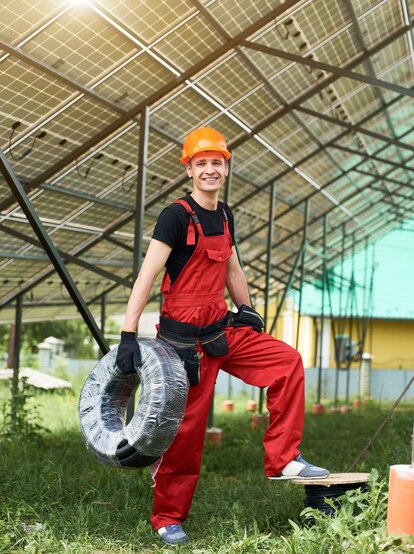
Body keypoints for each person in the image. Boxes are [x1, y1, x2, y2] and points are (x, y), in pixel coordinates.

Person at [116, 126, 329, 546]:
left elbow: (231, 267)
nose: (210, 169)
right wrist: (127, 333)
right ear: (190, 171)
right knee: (185, 434)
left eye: (217, 162)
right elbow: (147, 275)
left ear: (226, 168)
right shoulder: (176, 216)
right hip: (183, 347)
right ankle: (167, 517)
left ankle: (283, 459)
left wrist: (246, 308)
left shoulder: (225, 214)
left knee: (287, 362)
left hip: (221, 330)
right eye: (202, 163)